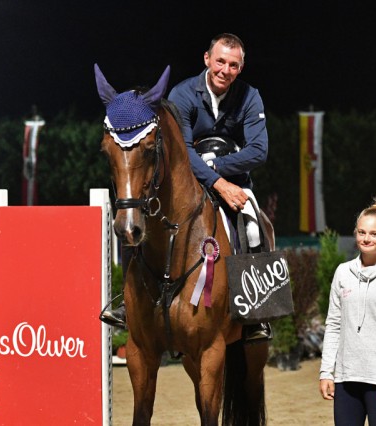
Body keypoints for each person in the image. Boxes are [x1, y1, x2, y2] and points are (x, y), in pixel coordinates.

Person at [101, 33, 270, 342]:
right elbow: (183, 151)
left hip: (236, 183)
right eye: (220, 61)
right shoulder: (182, 94)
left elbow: (259, 150)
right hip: (190, 182)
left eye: (233, 65)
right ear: (207, 59)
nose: (225, 70)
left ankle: (258, 311)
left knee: (256, 226)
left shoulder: (250, 96)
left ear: (241, 67)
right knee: (140, 220)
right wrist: (214, 179)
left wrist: (218, 168)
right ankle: (127, 303)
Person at [319, 196, 376, 426]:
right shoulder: (343, 272)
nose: (366, 238)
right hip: (346, 379)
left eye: (374, 234)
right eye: (362, 232)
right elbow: (333, 325)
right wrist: (326, 372)